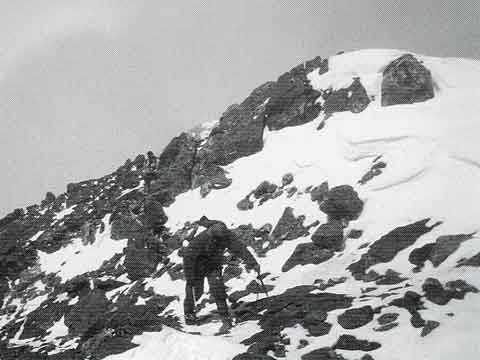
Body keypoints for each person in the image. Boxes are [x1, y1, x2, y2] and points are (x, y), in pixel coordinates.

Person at [182, 218, 260, 333]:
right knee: (195, 290)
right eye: (218, 237)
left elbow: (240, 249)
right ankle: (189, 314)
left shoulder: (227, 235)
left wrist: (253, 263)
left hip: (213, 265)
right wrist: (190, 278)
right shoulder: (201, 240)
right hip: (196, 266)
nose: (221, 239)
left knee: (217, 288)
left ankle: (225, 318)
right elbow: (188, 258)